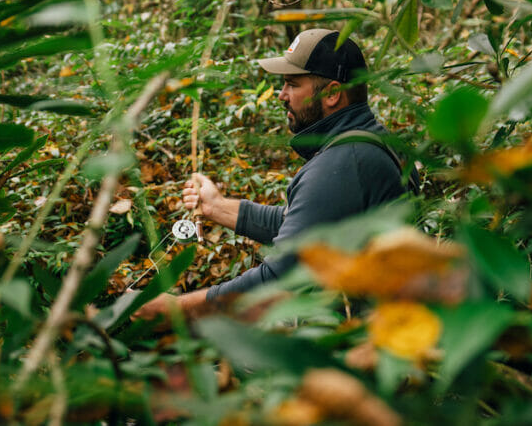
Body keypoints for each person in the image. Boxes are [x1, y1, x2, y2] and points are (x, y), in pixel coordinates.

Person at [136, 28, 412, 319]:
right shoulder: (372, 142)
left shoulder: (344, 163)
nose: (281, 95)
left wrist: (169, 312)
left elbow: (275, 284)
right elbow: (305, 226)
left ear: (332, 93)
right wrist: (216, 207)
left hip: (355, 349)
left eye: (292, 85)